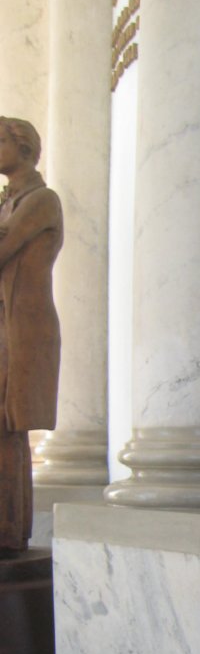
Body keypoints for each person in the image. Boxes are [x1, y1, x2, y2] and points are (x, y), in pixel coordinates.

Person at [0, 117, 62, 555]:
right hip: (6, 325)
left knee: (9, 426)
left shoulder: (41, 200)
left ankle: (9, 528)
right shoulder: (8, 203)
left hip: (24, 329)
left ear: (23, 147)